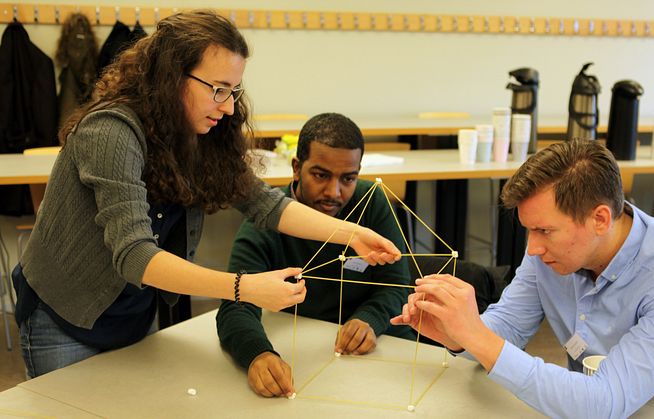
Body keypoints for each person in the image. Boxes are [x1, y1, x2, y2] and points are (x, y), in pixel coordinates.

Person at [12, 11, 401, 379]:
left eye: (233, 90)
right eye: (218, 89)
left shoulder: (202, 134)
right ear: (169, 77)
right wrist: (244, 287)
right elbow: (134, 255)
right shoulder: (111, 132)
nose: (229, 106)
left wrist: (351, 234)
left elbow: (267, 204)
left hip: (128, 311)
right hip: (62, 313)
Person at [392, 139, 654, 417]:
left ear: (600, 219)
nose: (533, 248)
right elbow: (509, 326)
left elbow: (605, 401)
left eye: (544, 230)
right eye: (529, 230)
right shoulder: (548, 252)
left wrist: (476, 336)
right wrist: (458, 335)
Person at [217, 112, 414, 398]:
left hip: (376, 351)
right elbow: (236, 305)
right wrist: (257, 354)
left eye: (348, 178)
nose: (333, 192)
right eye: (320, 175)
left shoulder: (371, 201)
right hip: (305, 360)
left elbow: (397, 283)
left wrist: (369, 318)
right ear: (297, 168)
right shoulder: (265, 221)